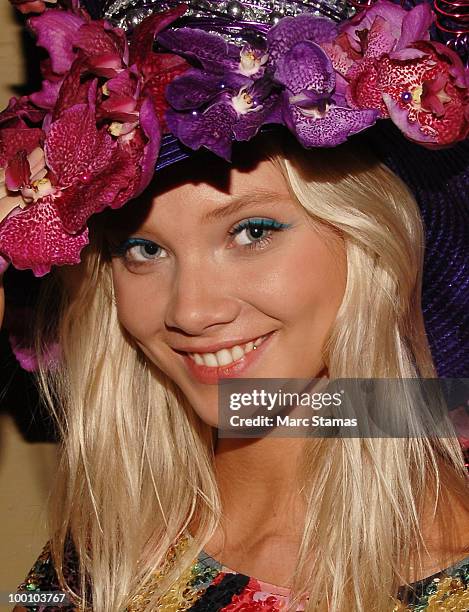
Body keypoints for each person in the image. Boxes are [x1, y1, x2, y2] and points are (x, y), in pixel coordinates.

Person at [1, 0, 468, 610]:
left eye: (251, 232)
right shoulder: (103, 558)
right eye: (143, 249)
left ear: (371, 240)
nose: (190, 313)